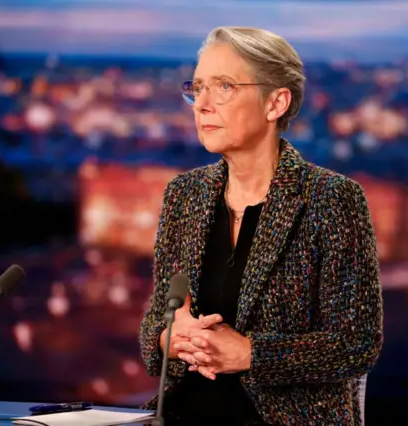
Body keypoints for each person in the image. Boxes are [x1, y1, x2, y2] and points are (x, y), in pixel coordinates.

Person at [139, 26, 383, 425]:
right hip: (182, 412)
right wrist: (170, 337)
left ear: (276, 103)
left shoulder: (331, 199)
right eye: (197, 88)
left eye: (224, 87)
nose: (202, 104)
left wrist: (250, 354)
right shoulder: (183, 195)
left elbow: (356, 344)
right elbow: (156, 327)